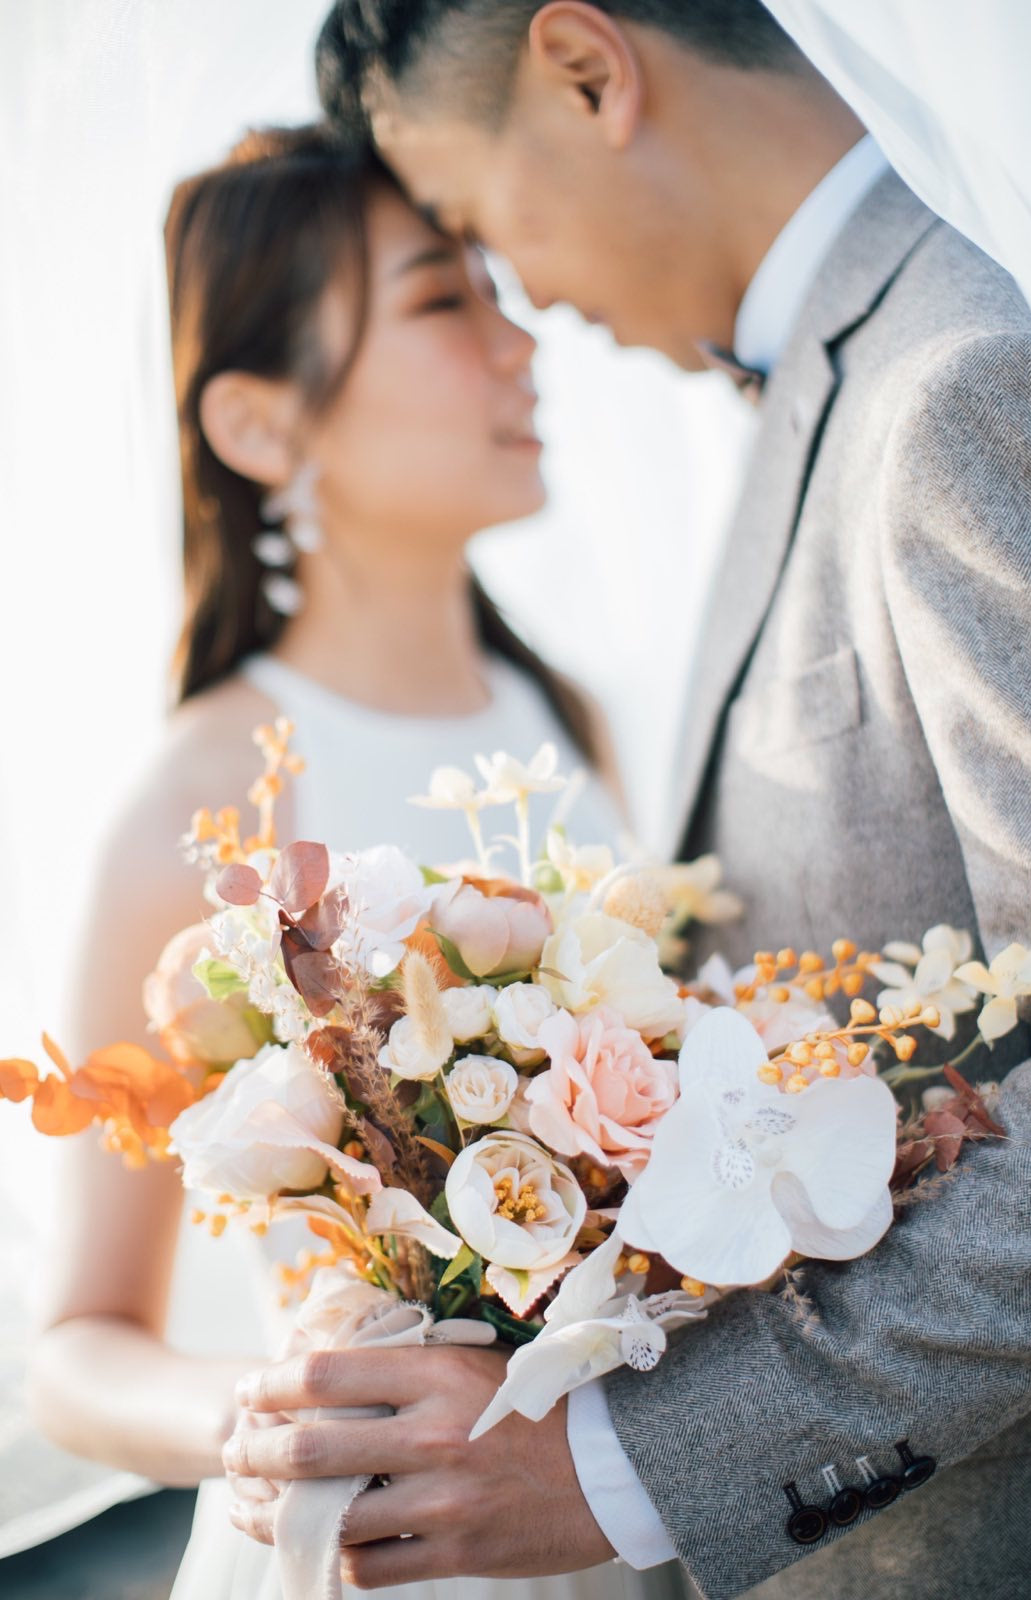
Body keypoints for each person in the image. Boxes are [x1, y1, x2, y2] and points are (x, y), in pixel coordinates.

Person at [220, 5, 1031, 1599]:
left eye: (479, 225)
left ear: (589, 71)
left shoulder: (959, 377)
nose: (523, 297)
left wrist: (626, 1467)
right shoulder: (828, 386)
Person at [27, 123, 665, 1600]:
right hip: (356, 1549)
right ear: (259, 426)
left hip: (606, 1520)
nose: (521, 342)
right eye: (445, 301)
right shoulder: (204, 789)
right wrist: (275, 1427)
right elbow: (75, 1348)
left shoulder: (565, 724)